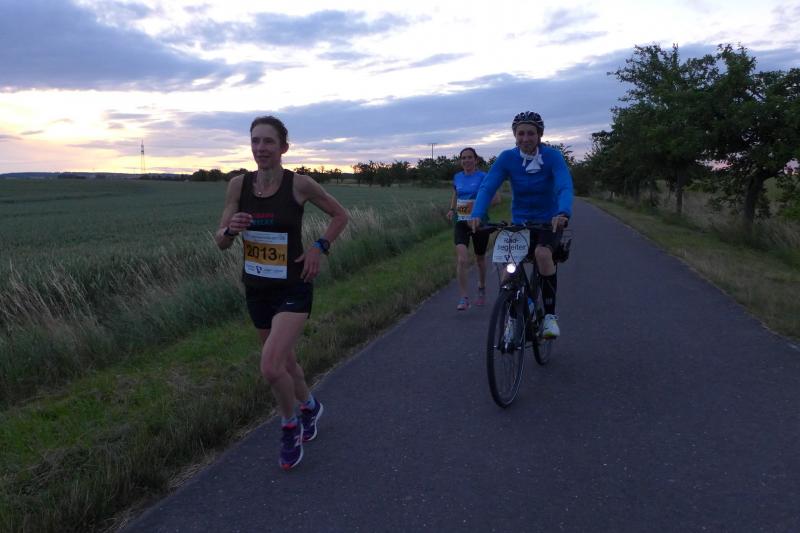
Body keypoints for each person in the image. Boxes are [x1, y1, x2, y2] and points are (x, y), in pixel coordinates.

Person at [215, 115, 349, 470]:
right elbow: (221, 242)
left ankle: (290, 426)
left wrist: (319, 247)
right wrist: (230, 230)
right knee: (287, 362)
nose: (261, 148)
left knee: (271, 366)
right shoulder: (238, 186)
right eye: (255, 141)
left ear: (283, 147)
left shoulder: (299, 184)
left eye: (268, 141)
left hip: (293, 285)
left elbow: (340, 215)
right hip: (257, 288)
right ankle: (310, 407)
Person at [469, 111, 573, 338]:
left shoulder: (552, 157)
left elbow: (564, 185)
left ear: (540, 135)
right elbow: (488, 186)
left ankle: (549, 317)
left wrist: (563, 212)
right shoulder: (507, 158)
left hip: (548, 222)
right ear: (515, 135)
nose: (526, 138)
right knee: (509, 270)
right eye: (521, 134)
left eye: (531, 133)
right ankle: (512, 320)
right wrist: (477, 213)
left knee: (542, 255)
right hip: (520, 223)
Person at [446, 147, 499, 310]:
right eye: (463, 158)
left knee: (480, 259)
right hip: (461, 222)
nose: (466, 160)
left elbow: (496, 199)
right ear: (460, 161)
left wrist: (478, 208)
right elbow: (456, 194)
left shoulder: (483, 177)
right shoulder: (457, 177)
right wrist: (452, 209)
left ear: (476, 160)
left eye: (470, 157)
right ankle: (464, 297)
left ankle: (481, 287)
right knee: (462, 259)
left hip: (479, 223)